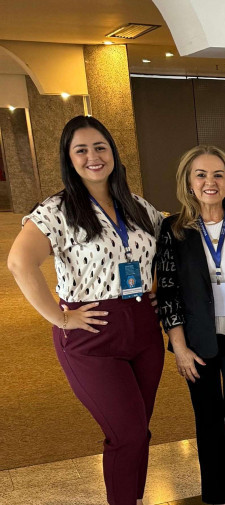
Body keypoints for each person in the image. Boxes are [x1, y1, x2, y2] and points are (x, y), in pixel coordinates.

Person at [7, 115, 165, 505]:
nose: (93, 157)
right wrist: (60, 317)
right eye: (81, 150)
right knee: (126, 433)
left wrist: (159, 290)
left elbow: (167, 248)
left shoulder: (137, 206)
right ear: (69, 158)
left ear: (113, 153)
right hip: (91, 334)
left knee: (139, 432)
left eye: (100, 147)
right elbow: (19, 263)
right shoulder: (57, 210)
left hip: (144, 329)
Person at [155, 146, 225, 504]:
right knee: (207, 418)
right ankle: (216, 495)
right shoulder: (174, 230)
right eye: (201, 174)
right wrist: (179, 348)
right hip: (196, 342)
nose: (210, 182)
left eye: (218, 174)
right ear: (189, 183)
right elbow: (169, 291)